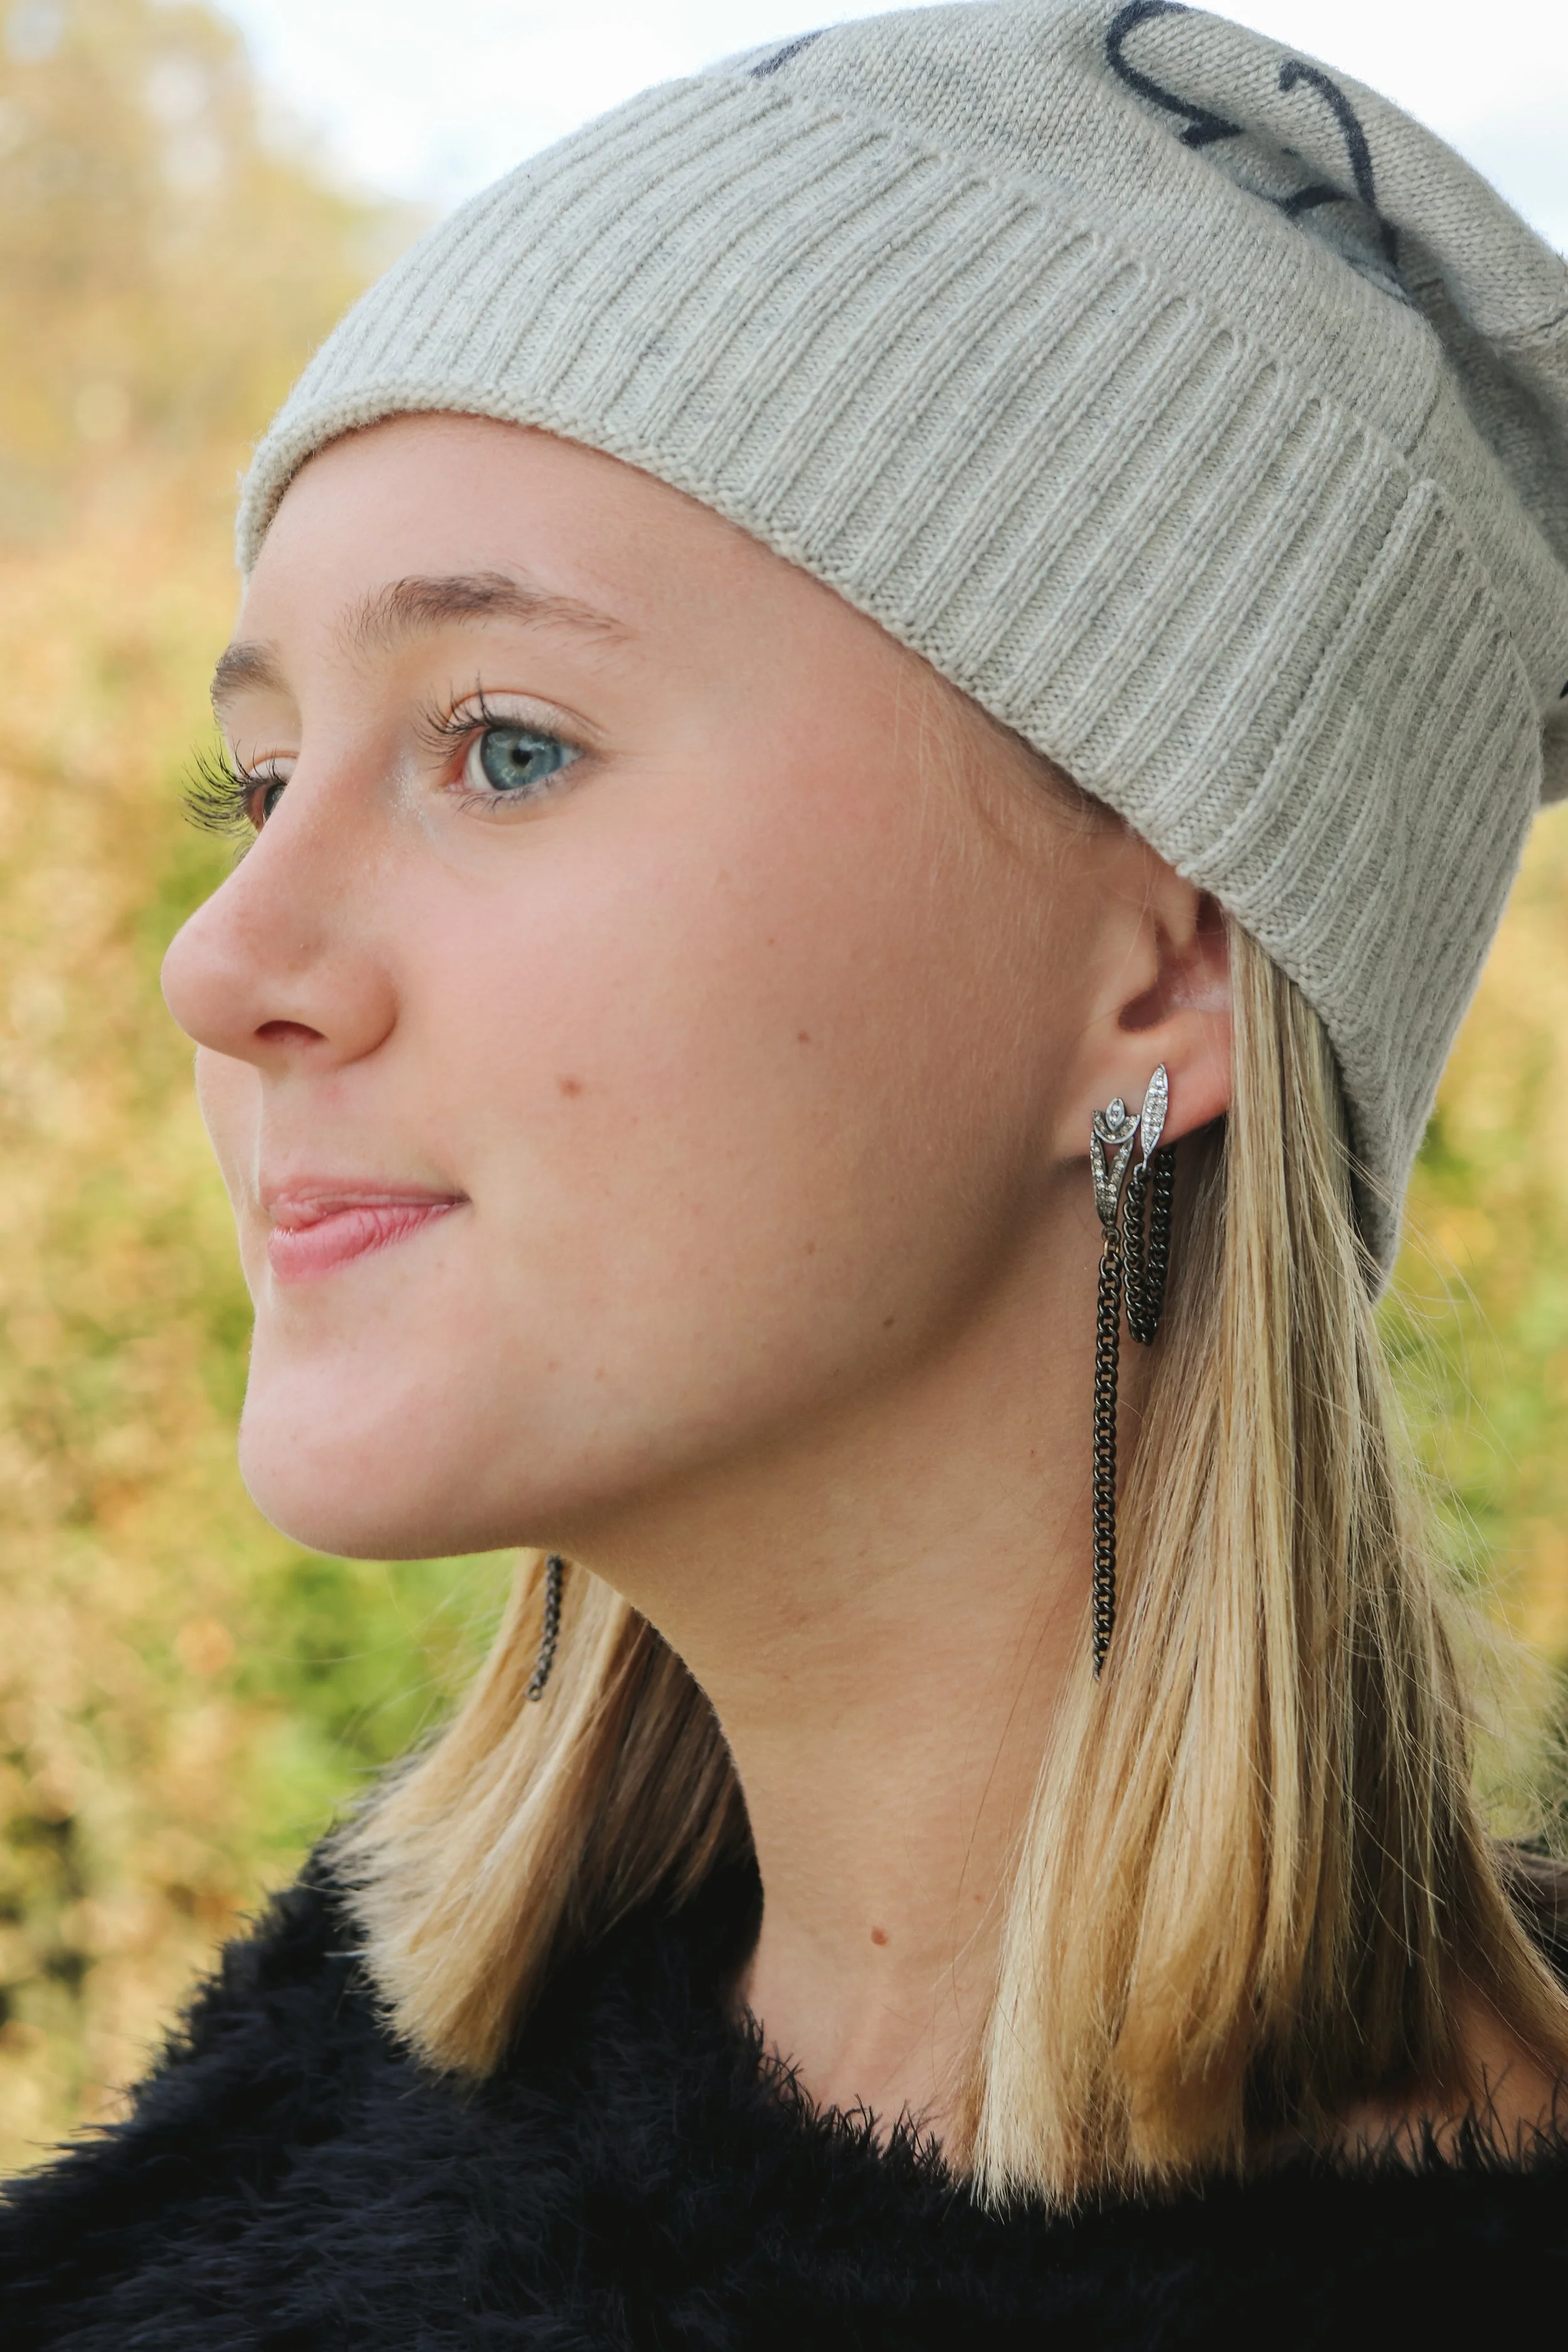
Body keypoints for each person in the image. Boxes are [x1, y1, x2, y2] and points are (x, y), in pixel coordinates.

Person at [4, 0, 1568, 2339]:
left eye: (505, 746)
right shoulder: (221, 2240)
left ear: (1162, 970)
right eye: (262, 779)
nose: (225, 962)